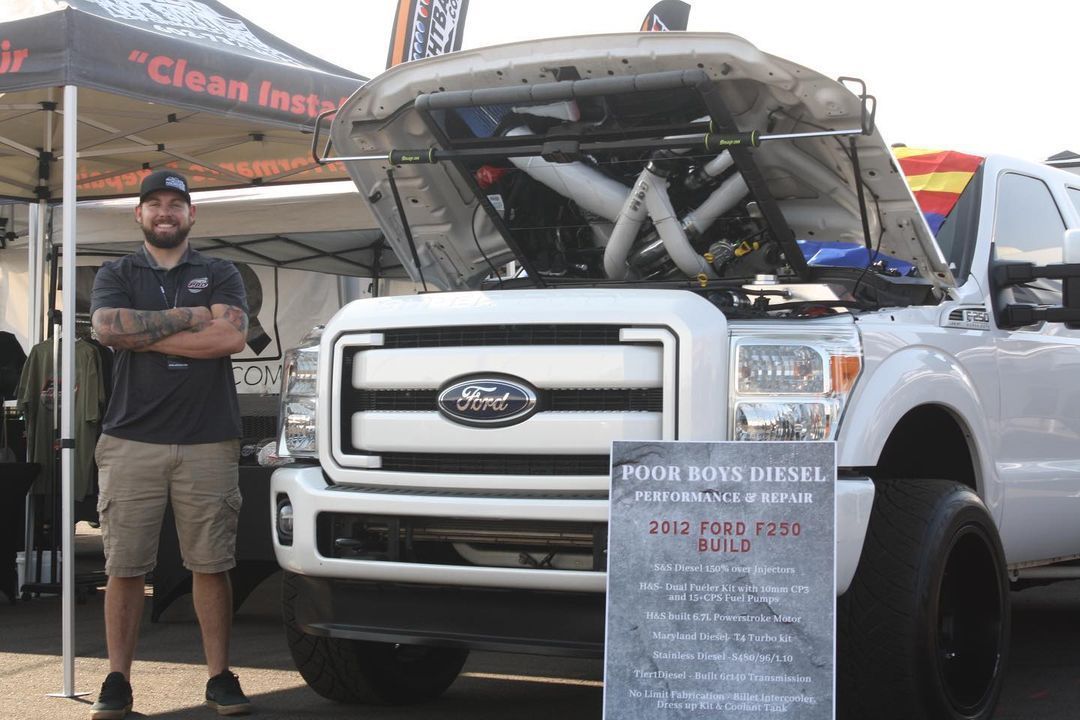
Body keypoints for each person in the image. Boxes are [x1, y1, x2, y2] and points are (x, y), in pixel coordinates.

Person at [88, 169, 251, 719]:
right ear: (138, 214)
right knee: (125, 566)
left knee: (211, 563)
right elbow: (109, 328)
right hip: (130, 438)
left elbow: (231, 336)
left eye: (175, 204)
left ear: (191, 215)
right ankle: (117, 680)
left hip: (208, 439)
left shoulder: (221, 269)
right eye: (153, 203)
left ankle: (220, 676)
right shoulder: (116, 270)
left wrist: (148, 334)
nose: (165, 212)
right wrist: (191, 319)